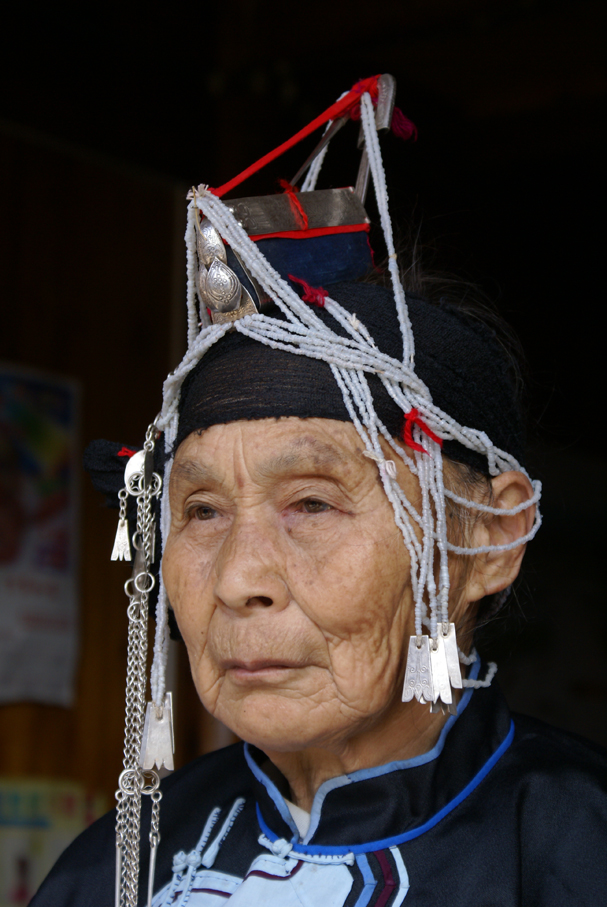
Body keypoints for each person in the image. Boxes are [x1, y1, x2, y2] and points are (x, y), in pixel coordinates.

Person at [31, 76, 606, 907]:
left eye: (311, 503)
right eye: (200, 510)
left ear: (488, 534)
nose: (237, 579)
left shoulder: (578, 845)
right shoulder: (116, 861)